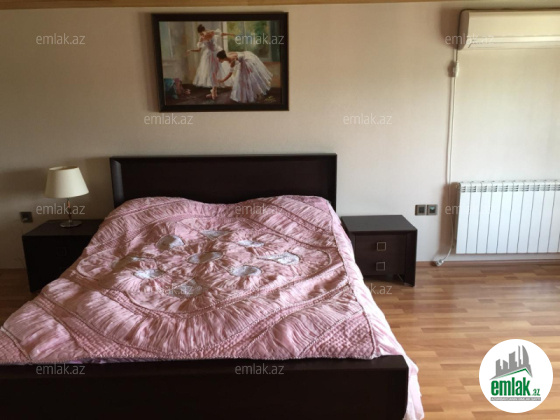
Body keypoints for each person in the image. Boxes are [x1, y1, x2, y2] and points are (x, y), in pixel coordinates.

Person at [186, 25, 234, 100]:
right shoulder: (201, 38)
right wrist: (190, 50)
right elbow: (198, 50)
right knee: (212, 73)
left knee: (219, 71)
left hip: (217, 53)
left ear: (205, 30)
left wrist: (230, 34)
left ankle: (214, 90)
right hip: (209, 56)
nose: (202, 35)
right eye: (200, 34)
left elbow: (221, 34)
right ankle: (214, 91)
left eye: (202, 33)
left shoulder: (212, 32)